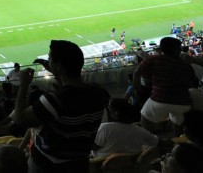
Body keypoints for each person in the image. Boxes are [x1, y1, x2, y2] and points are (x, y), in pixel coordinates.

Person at [12, 39, 109, 172]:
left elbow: (20, 120)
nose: (48, 60)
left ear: (59, 66)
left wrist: (23, 85)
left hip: (48, 166)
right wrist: (57, 73)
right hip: (80, 164)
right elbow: (74, 95)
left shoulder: (54, 100)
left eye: (50, 58)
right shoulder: (98, 93)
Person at [133, 35, 198, 133]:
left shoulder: (154, 59)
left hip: (160, 99)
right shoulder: (186, 65)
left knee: (145, 117)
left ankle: (150, 143)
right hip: (184, 103)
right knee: (177, 121)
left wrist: (136, 88)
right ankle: (177, 142)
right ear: (177, 50)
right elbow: (194, 84)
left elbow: (137, 72)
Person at [91, 97, 158, 158]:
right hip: (129, 166)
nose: (107, 108)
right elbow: (155, 141)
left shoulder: (105, 128)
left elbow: (94, 147)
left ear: (116, 112)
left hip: (101, 165)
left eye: (109, 107)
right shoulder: (140, 131)